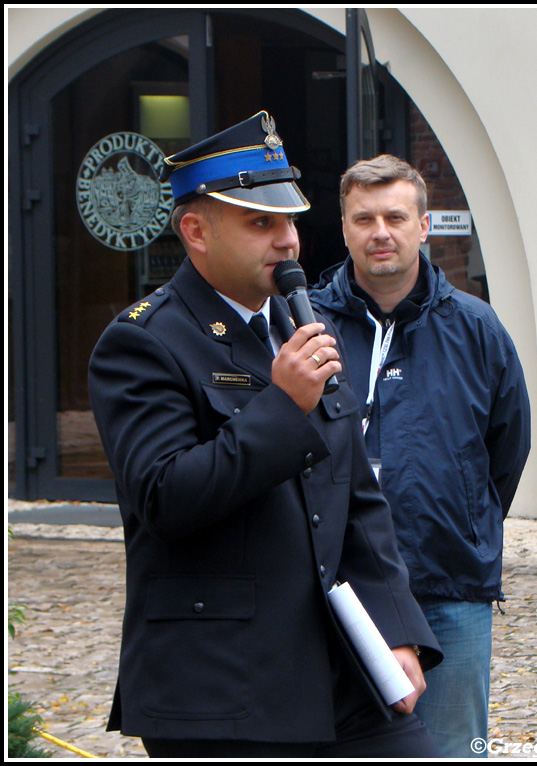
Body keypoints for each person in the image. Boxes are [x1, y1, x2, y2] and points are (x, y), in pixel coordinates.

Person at [88, 113, 443, 759]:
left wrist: (397, 629)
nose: (287, 241)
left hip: (345, 666)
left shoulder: (293, 321)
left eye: (290, 222)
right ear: (195, 231)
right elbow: (166, 498)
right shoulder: (143, 341)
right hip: (224, 683)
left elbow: (357, 498)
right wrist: (282, 405)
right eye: (261, 223)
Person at [309, 154, 531, 758]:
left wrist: (461, 514)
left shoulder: (478, 329)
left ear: (424, 227)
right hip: (336, 588)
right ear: (346, 228)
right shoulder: (303, 323)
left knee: (454, 748)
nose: (381, 231)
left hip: (447, 581)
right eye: (364, 219)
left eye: (395, 216)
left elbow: (506, 450)